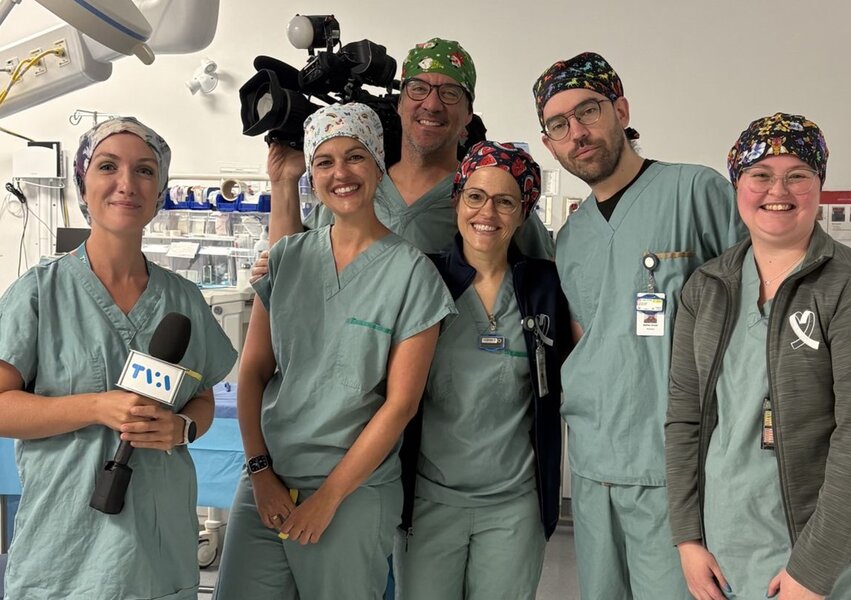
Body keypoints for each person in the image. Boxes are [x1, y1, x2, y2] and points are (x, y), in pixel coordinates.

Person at [213, 103, 455, 600]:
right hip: (267, 478)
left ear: (378, 165)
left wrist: (329, 498)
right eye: (324, 161)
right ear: (312, 173)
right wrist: (259, 472)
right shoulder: (286, 257)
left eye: (355, 157)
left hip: (352, 491)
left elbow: (400, 405)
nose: (340, 173)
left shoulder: (412, 274)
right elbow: (253, 371)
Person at [532, 52, 746, 598]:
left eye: (589, 111)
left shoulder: (695, 192)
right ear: (550, 144)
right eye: (559, 125)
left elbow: (754, 315)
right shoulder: (571, 238)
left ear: (621, 111)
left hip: (675, 466)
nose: (577, 132)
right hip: (594, 462)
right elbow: (590, 342)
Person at [0, 117, 237, 600]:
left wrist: (183, 428)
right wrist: (96, 407)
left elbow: (202, 398)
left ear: (160, 191)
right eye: (108, 166)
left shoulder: (184, 299)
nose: (127, 183)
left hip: (158, 551)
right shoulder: (40, 293)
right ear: (83, 184)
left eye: (145, 170)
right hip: (66, 553)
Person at [666, 113, 851, 600]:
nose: (778, 191)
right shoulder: (706, 288)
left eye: (798, 175)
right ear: (737, 185)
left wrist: (814, 570)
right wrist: (687, 538)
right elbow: (684, 417)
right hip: (721, 547)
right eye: (761, 174)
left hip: (818, 555)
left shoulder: (842, 285)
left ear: (819, 185)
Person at [394, 141, 570, 600]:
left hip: (514, 506)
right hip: (429, 501)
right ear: (457, 199)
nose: (486, 212)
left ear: (523, 212)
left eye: (505, 201)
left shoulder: (546, 287)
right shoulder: (421, 279)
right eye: (475, 196)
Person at [259, 37, 554, 259]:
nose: (432, 104)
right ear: (400, 102)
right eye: (418, 89)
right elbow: (289, 272)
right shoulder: (358, 187)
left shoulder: (487, 198)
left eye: (450, 93)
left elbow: (548, 284)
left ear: (468, 114)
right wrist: (284, 182)